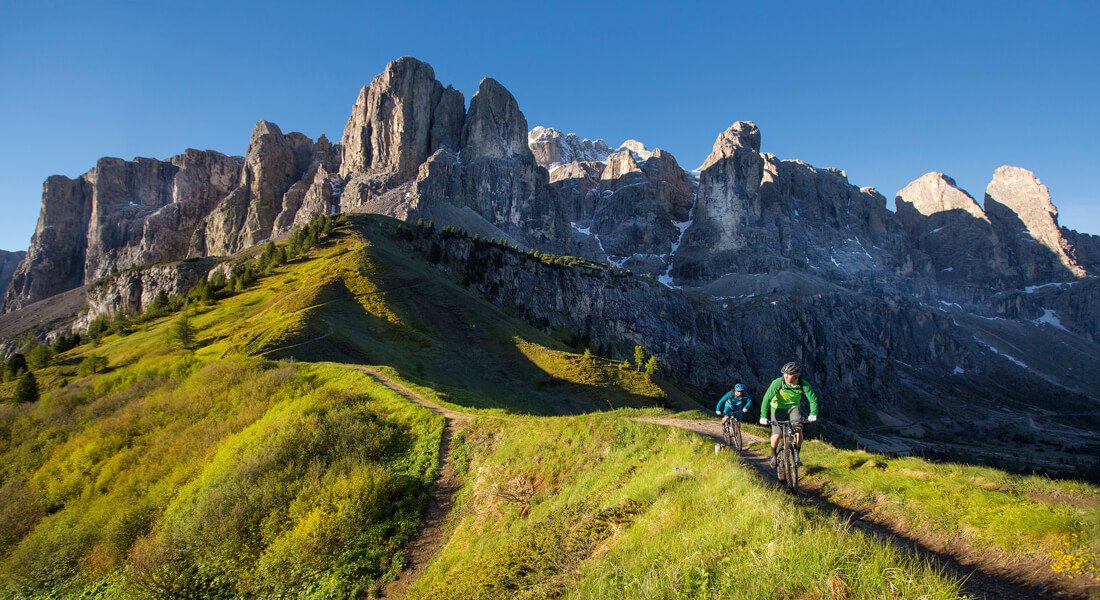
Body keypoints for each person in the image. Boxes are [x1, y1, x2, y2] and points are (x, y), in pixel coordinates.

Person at [758, 361, 819, 467]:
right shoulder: (778, 382)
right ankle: (773, 454)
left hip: (793, 408)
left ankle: (796, 455)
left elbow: (813, 400)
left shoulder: (803, 385)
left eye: (788, 374)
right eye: (784, 373)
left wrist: (813, 413)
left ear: (796, 375)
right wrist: (763, 416)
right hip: (777, 408)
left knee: (798, 431)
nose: (785, 376)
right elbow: (767, 398)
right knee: (777, 435)